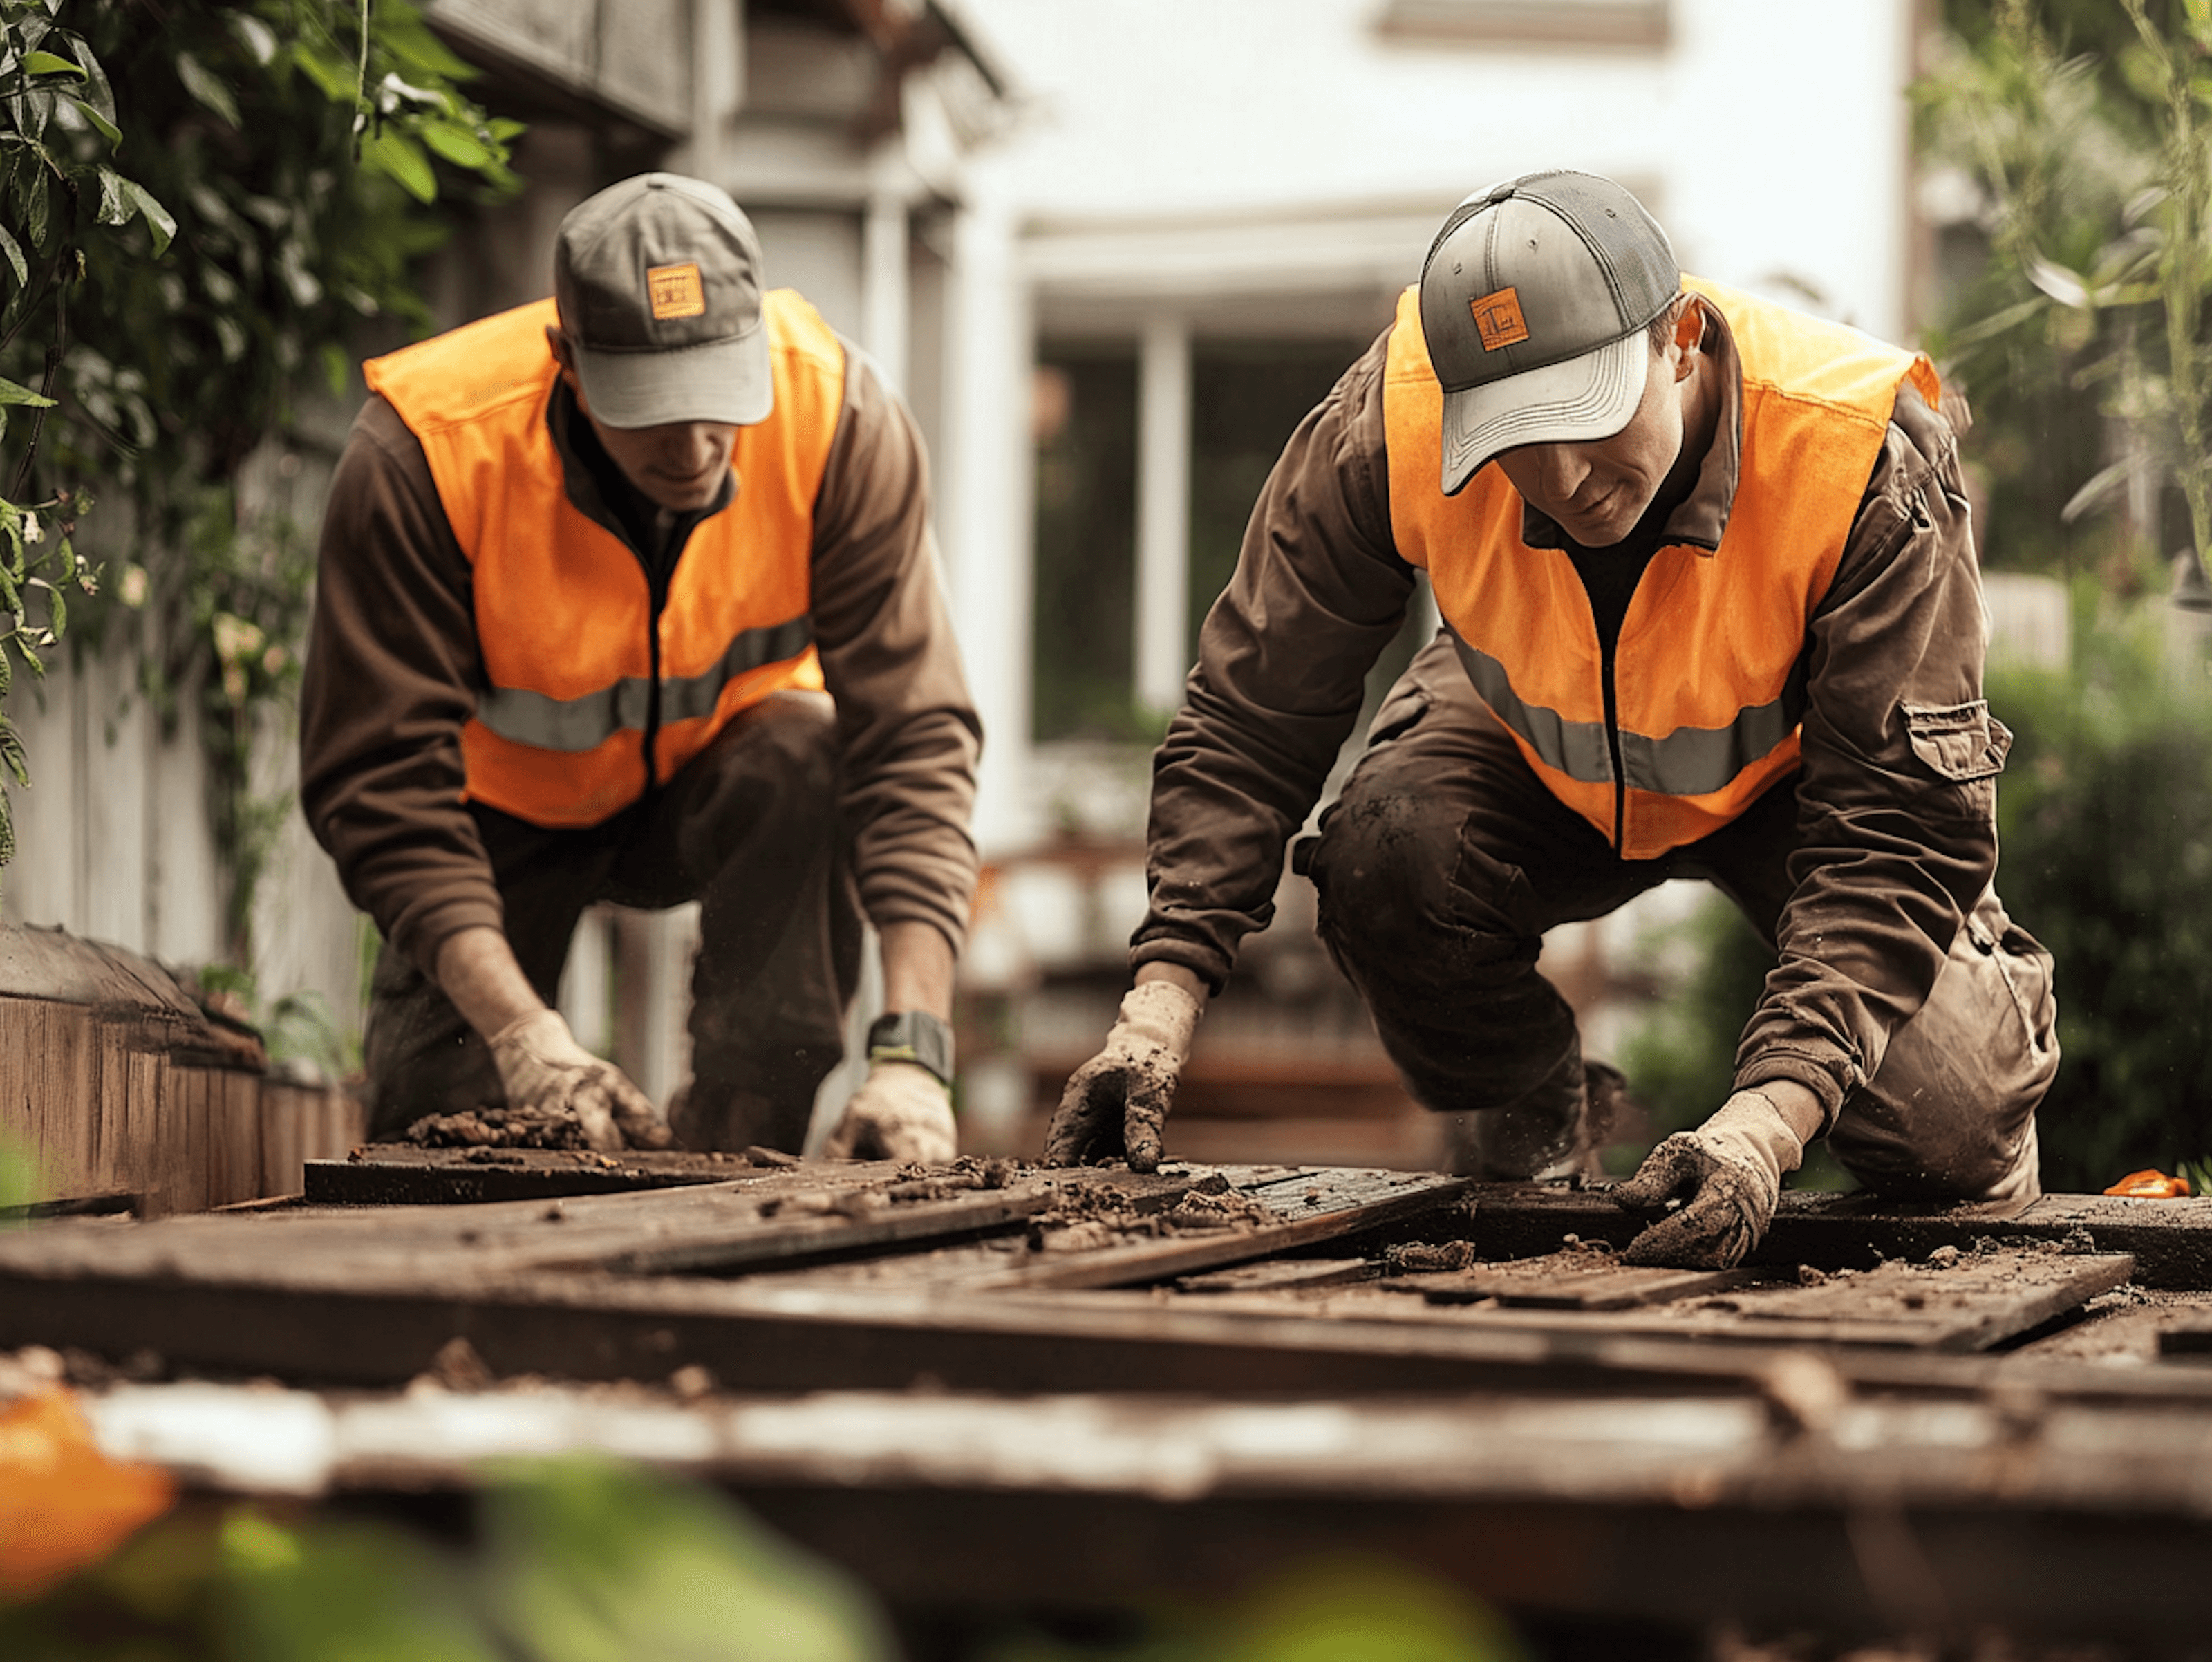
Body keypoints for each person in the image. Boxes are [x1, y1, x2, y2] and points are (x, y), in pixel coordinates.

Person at [1046, 169, 2057, 1269]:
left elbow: (1899, 830)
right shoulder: (1393, 421)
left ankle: (1973, 1124)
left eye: (1587, 416)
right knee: (1390, 857)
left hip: (1795, 773)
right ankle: (1531, 1128)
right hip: (1529, 725)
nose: (1567, 479)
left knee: (1944, 1115)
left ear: (1678, 339)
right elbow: (1253, 715)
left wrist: (1769, 1120)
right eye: (1520, 439)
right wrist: (1154, 1015)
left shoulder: (1862, 453)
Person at [301, 172, 980, 1163]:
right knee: (449, 1145)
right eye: (656, 408)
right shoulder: (427, 456)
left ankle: (739, 1157)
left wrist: (917, 1054)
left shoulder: (841, 422)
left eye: (721, 398)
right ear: (567, 362)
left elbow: (913, 739)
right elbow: (378, 783)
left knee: (809, 752)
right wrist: (522, 1036)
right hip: (493, 823)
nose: (697, 444)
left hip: (723, 784)